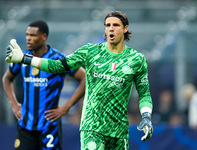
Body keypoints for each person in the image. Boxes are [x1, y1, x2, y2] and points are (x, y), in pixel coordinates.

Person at [5, 11, 153, 149]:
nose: (111, 29)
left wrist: (146, 116)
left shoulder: (136, 60)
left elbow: (144, 93)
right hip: (92, 128)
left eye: (115, 25)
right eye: (108, 25)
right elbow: (57, 66)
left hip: (119, 131)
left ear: (125, 28)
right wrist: (25, 58)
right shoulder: (90, 52)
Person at [2, 20, 85, 150]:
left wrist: (66, 107)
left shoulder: (58, 59)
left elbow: (84, 78)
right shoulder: (21, 57)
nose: (28, 38)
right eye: (27, 34)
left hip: (49, 126)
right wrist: (14, 104)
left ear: (44, 37)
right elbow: (7, 78)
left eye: (33, 35)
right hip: (25, 125)